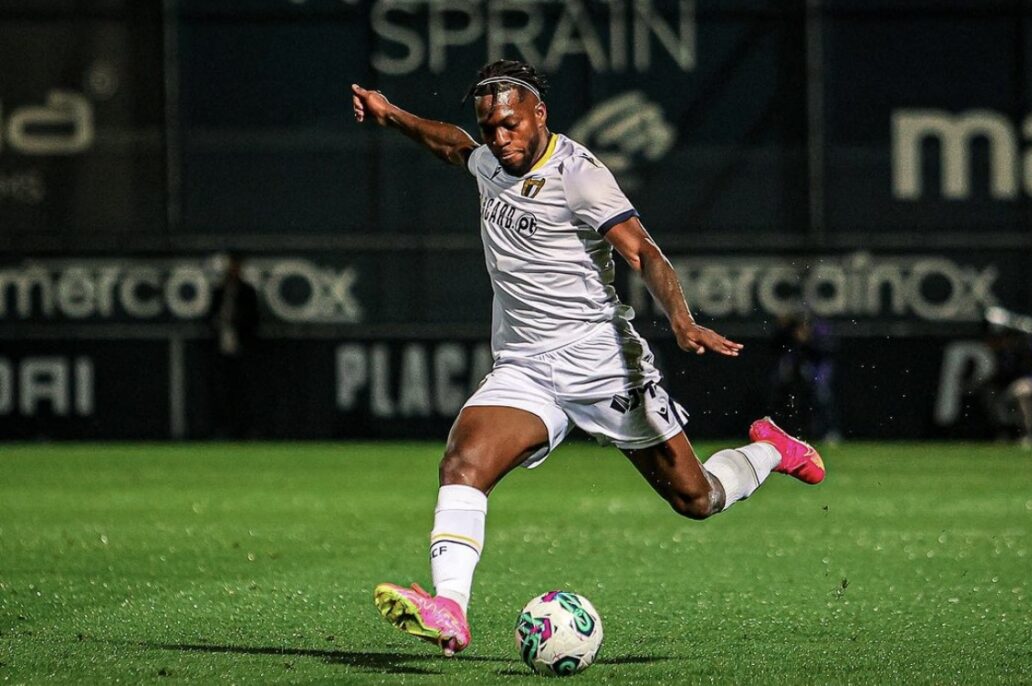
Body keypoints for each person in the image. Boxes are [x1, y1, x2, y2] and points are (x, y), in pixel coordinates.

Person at [350, 60, 825, 656]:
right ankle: (450, 608)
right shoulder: (489, 159)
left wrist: (682, 320)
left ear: (539, 114)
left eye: (511, 124)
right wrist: (392, 114)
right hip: (524, 367)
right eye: (491, 127)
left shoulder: (578, 174)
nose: (500, 138)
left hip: (602, 364)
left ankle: (771, 449)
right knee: (463, 464)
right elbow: (453, 145)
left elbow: (642, 251)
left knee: (696, 498)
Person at [979, 307, 1032, 447]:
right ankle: (1004, 431)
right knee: (991, 391)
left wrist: (1030, 381)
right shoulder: (1005, 352)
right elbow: (1005, 375)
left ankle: (1029, 434)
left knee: (1021, 390)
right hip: (1023, 387)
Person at [208, 253, 260, 438]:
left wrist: (237, 321)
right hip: (222, 347)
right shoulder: (219, 290)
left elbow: (254, 320)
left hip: (242, 347)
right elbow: (208, 317)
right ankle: (223, 429)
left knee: (244, 391)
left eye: (236, 266)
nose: (233, 270)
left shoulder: (247, 291)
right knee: (222, 391)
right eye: (231, 266)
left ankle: (247, 429)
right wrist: (218, 323)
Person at [769, 311, 841, 442]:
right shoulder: (790, 331)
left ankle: (829, 431)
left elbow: (828, 350)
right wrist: (783, 329)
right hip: (797, 370)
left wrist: (808, 340)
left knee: (821, 396)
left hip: (816, 368)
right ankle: (785, 431)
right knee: (785, 398)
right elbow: (775, 346)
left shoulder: (819, 330)